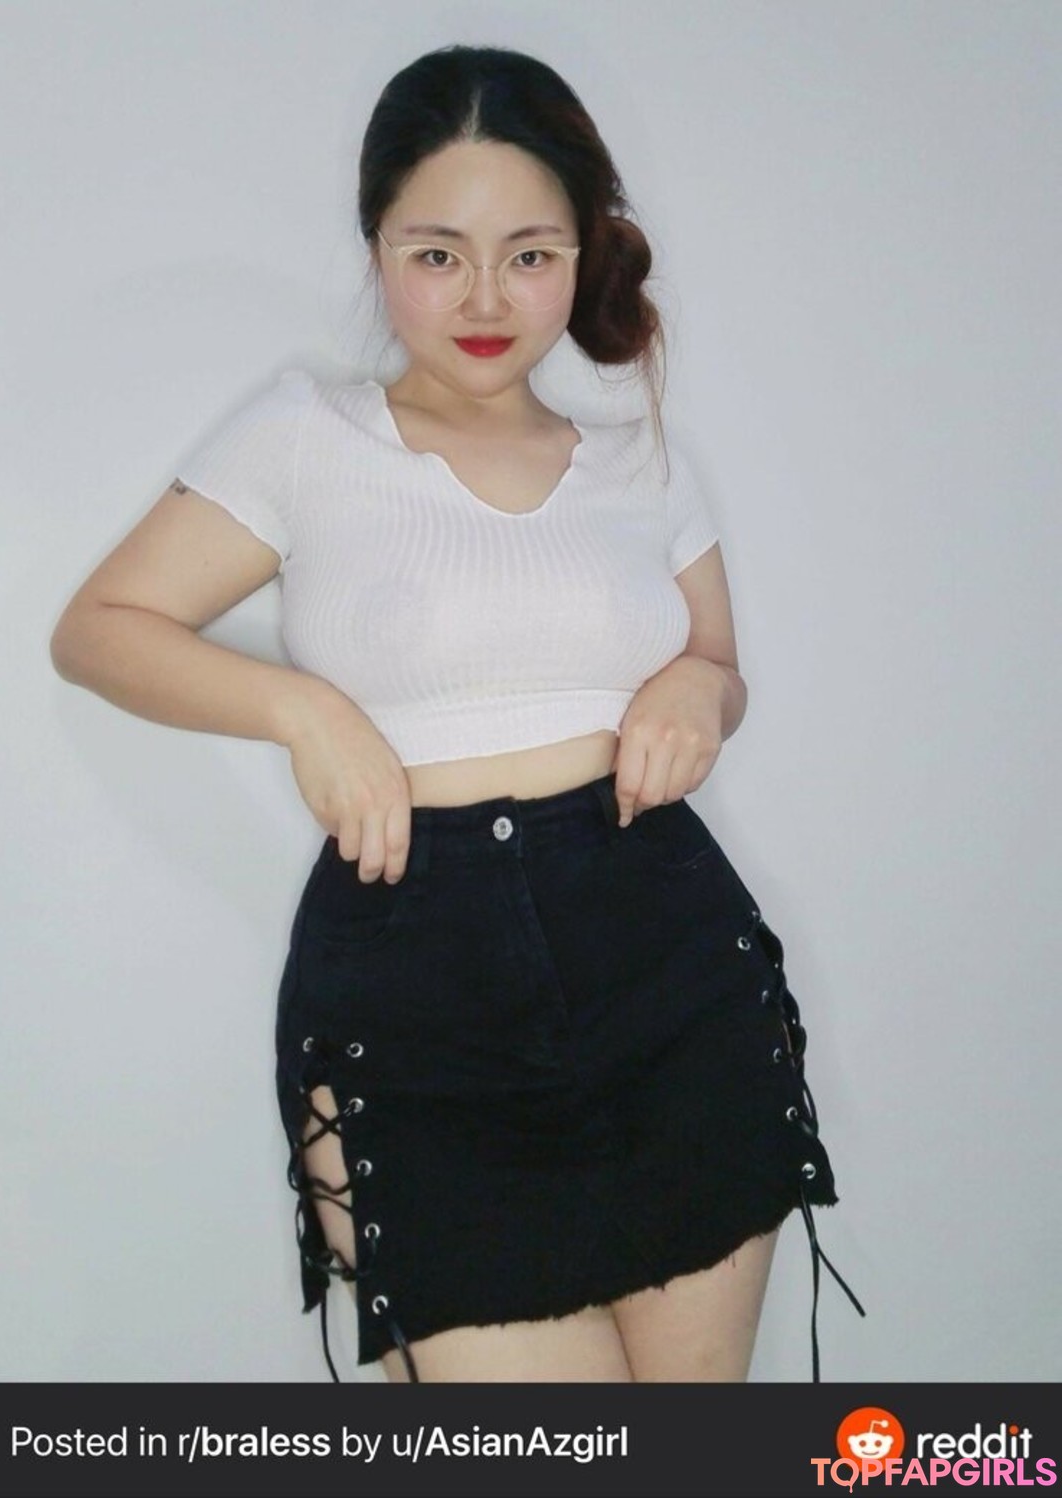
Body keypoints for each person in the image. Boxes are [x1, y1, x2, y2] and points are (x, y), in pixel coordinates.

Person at [49, 44, 864, 1384]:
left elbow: (720, 663)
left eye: (530, 255)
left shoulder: (641, 461)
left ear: (582, 253)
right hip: (412, 989)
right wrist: (305, 711)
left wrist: (696, 687)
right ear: (378, 245)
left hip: (665, 967)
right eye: (438, 254)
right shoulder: (306, 436)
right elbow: (100, 630)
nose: (486, 299)